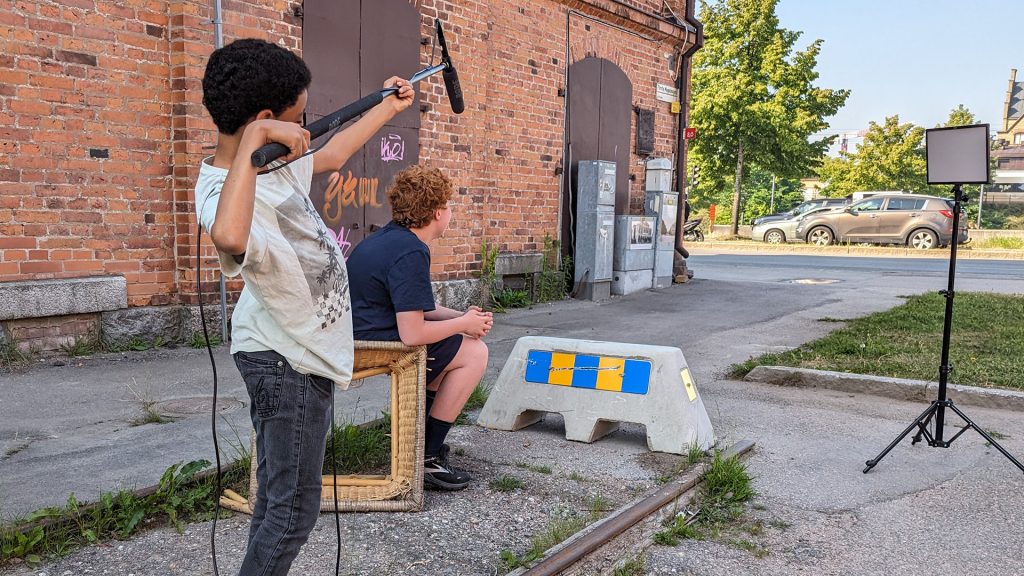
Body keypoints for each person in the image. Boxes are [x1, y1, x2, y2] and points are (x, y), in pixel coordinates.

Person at [194, 38, 414, 575]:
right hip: (282, 361)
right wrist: (256, 141)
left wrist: (387, 106)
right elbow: (228, 234)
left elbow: (333, 154)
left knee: (277, 501)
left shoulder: (272, 165)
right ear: (265, 121)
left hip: (295, 353)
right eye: (300, 117)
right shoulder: (223, 187)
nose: (306, 127)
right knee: (294, 510)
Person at [346, 165, 492, 491]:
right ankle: (426, 458)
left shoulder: (390, 239)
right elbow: (413, 334)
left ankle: (419, 450)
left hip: (362, 334)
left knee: (454, 348)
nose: (451, 212)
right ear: (438, 212)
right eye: (450, 206)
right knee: (473, 353)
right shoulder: (412, 250)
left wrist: (464, 318)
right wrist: (464, 327)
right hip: (370, 345)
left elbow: (419, 309)